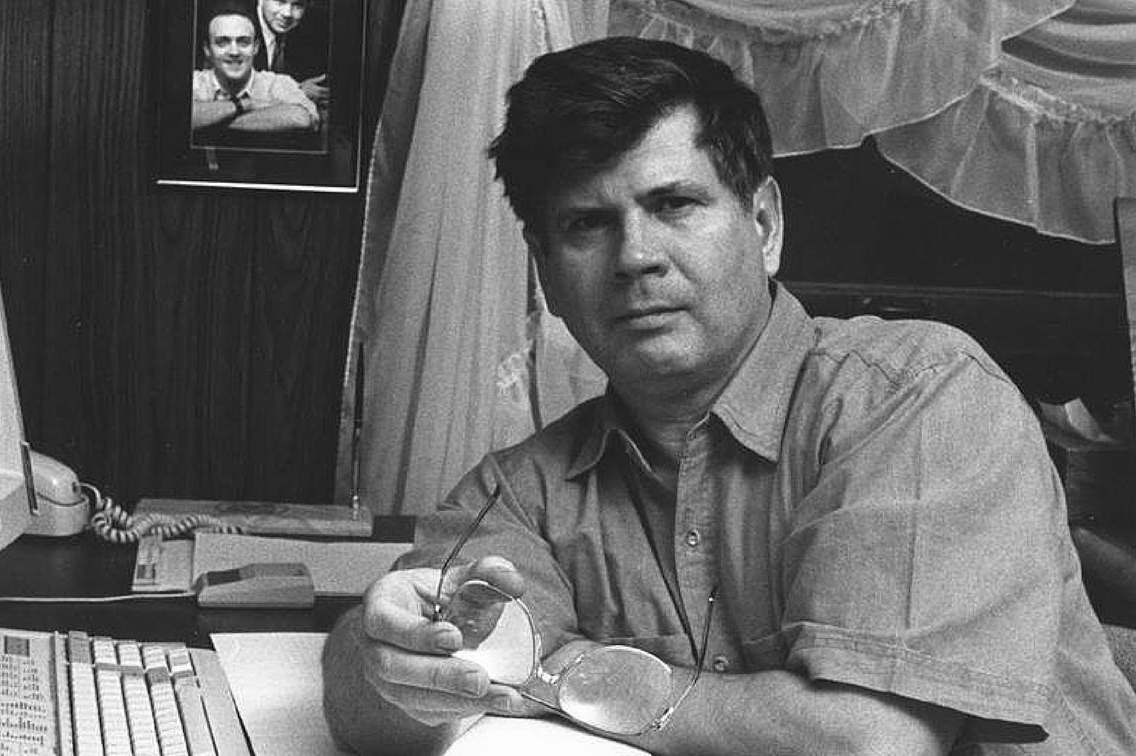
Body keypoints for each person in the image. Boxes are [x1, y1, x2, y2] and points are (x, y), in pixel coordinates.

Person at [321, 37, 1136, 755]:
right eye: (586, 224)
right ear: (546, 272)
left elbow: (868, 744)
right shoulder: (526, 487)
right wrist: (387, 654)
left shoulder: (921, 395)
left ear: (766, 225)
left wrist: (567, 671)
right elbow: (376, 705)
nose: (635, 256)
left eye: (674, 204)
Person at [190, 2, 318, 138]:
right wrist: (245, 105)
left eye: (243, 42)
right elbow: (178, 116)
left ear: (255, 47)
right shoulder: (195, 82)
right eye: (223, 42)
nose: (234, 51)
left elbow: (301, 118)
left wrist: (211, 121)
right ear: (207, 50)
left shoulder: (276, 83)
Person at [252, 0, 330, 107]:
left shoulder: (314, 26)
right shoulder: (238, 27)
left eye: (298, 5)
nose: (287, 13)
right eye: (280, 1)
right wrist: (295, 93)